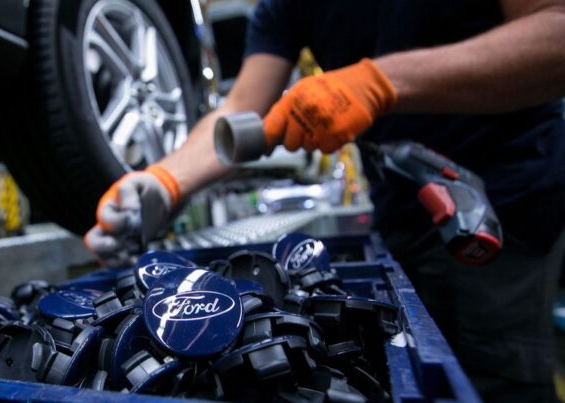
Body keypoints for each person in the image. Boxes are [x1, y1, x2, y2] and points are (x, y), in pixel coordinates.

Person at [85, 0, 565, 400]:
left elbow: (555, 28)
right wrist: (165, 181)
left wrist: (381, 82)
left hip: (498, 203)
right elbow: (241, 108)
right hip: (401, 206)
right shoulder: (284, 7)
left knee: (488, 376)